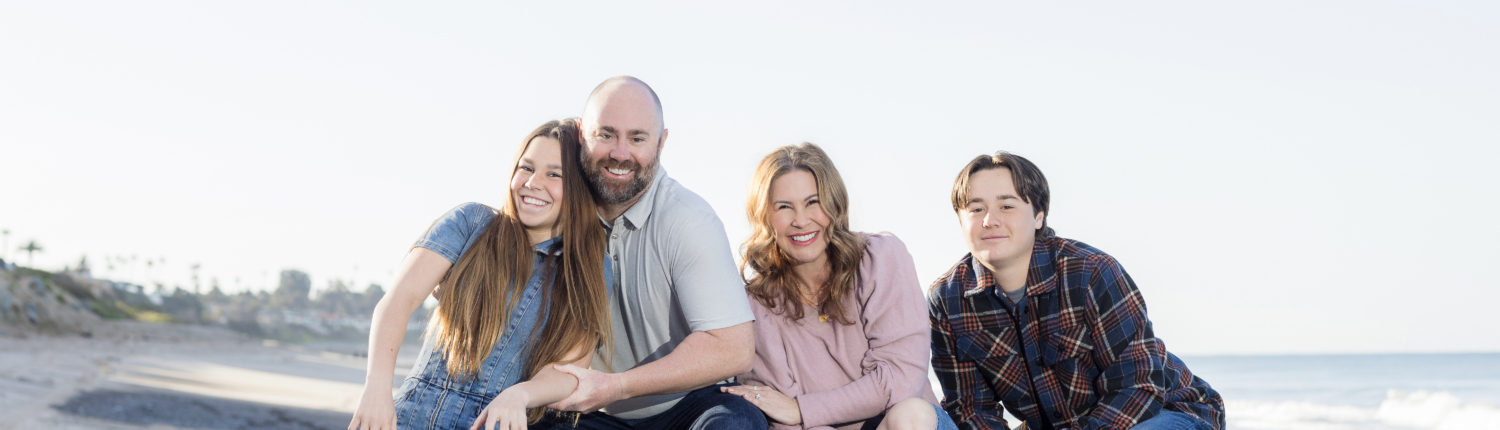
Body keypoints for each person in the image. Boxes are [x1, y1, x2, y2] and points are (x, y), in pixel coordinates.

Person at [531, 76, 765, 430]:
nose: (620, 153)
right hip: (593, 414)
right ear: (582, 133)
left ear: (661, 143)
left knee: (736, 425)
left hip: (689, 406)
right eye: (606, 134)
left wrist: (616, 386)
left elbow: (733, 348)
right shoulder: (556, 207)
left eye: (637, 138)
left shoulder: (689, 220)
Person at [928, 152, 1224, 430]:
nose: (989, 220)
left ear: (1039, 216)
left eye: (1007, 206)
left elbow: (1136, 386)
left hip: (1165, 410)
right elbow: (970, 409)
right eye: (976, 208)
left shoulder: (1091, 271)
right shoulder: (947, 300)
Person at [347, 119, 612, 430]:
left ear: (579, 188)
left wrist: (519, 395)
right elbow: (399, 299)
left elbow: (569, 370)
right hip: (408, 417)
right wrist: (377, 388)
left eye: (554, 174)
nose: (532, 182)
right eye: (525, 168)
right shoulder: (471, 223)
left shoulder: (590, 267)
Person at [721, 143, 959, 430]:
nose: (801, 220)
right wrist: (797, 414)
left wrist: (802, 409)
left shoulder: (880, 257)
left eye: (813, 202)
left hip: (911, 425)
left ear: (834, 204)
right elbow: (782, 418)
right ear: (765, 217)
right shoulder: (755, 306)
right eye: (784, 207)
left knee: (910, 415)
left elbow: (900, 378)